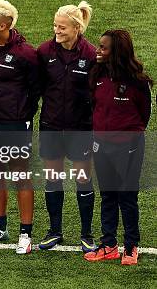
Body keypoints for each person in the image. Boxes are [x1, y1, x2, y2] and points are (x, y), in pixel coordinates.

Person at [0, 0, 40, 254]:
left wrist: (23, 113)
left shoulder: (26, 54)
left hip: (14, 123)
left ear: (4, 25)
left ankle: (25, 233)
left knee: (20, 174)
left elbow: (36, 89)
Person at [84, 29, 152, 266]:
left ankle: (131, 246)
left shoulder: (138, 82)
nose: (98, 50)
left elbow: (145, 116)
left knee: (127, 196)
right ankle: (109, 245)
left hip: (129, 147)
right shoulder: (97, 74)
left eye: (103, 47)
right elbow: (94, 106)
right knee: (108, 195)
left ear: (117, 52)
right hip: (100, 146)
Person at [36, 2, 97, 253]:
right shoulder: (44, 52)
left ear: (76, 28)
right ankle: (54, 231)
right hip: (50, 126)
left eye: (62, 27)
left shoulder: (91, 55)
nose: (56, 31)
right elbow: (36, 88)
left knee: (83, 179)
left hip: (80, 128)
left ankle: (86, 234)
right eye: (54, 26)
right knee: (53, 178)